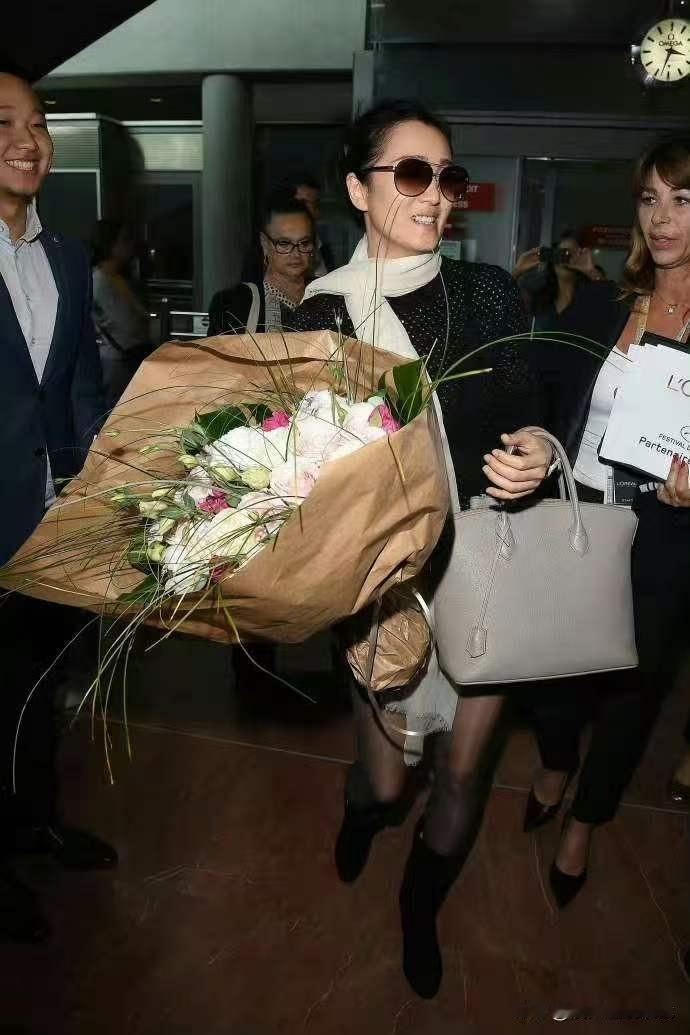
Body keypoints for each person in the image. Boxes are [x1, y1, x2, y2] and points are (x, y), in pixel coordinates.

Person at [291, 99, 552, 998]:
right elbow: (305, 469)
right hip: (381, 580)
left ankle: (418, 908)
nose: (435, 194)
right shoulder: (321, 317)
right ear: (359, 188)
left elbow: (527, 408)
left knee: (464, 775)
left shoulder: (488, 293)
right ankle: (363, 812)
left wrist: (536, 449)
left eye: (447, 177)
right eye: (411, 173)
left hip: (488, 556)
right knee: (387, 782)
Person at [523, 132, 690, 908]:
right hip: (576, 512)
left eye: (683, 200)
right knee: (551, 676)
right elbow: (545, 392)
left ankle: (586, 818)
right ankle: (557, 759)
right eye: (650, 198)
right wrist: (533, 441)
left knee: (632, 693)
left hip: (665, 536)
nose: (663, 218)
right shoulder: (601, 303)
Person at [0, 71, 115, 944]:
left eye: (38, 123)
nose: (27, 140)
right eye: (3, 122)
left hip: (53, 523)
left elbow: (78, 389)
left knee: (39, 687)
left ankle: (34, 820)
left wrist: (99, 487)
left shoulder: (67, 258)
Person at [208, 192, 315, 336]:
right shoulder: (234, 304)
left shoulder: (327, 297)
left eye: (304, 243)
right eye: (284, 243)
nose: (296, 253)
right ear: (265, 243)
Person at [91, 219, 151, 408]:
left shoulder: (117, 278)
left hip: (126, 356)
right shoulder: (99, 281)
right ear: (111, 245)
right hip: (118, 358)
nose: (130, 246)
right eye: (124, 240)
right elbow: (125, 323)